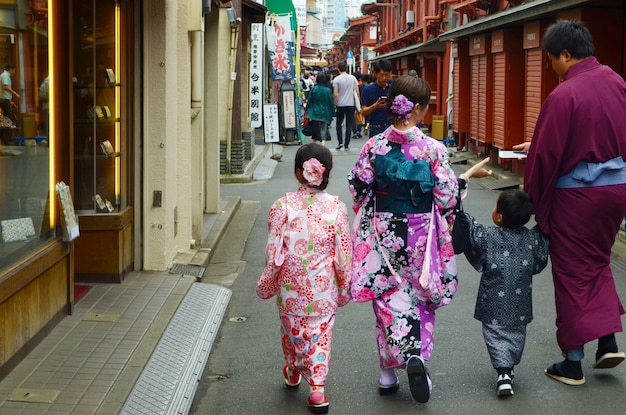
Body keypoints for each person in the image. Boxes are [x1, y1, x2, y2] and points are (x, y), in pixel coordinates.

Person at [512, 20, 626, 385]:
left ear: (565, 54)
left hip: (577, 196)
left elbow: (546, 157)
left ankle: (573, 361)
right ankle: (607, 342)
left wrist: (531, 201)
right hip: (615, 190)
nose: (553, 69)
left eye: (552, 61)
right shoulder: (617, 82)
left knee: (571, 271)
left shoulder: (565, 94)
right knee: (596, 262)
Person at [348, 75, 458, 403]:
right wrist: (449, 218)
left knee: (387, 294)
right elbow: (446, 194)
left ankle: (386, 372)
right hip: (421, 229)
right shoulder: (433, 149)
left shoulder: (375, 145)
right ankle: (417, 358)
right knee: (421, 292)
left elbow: (358, 187)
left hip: (385, 228)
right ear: (420, 109)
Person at [257, 143, 352, 414]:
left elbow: (273, 250)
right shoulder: (337, 208)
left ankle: (293, 369)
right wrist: (345, 286)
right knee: (321, 336)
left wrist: (268, 281)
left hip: (290, 289)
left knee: (292, 332)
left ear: (299, 173)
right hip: (323, 290)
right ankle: (317, 390)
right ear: (326, 173)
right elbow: (343, 254)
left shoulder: (281, 206)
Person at [455, 175, 549, 397]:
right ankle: (508, 370)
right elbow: (541, 251)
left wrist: (457, 200)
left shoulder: (487, 236)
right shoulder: (532, 239)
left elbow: (468, 225)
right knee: (516, 334)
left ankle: (503, 371)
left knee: (495, 335)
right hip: (520, 302)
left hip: (492, 301)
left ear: (498, 216)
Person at [360, 59, 393, 138]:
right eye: (381, 75)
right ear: (375, 73)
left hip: (392, 127)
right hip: (376, 128)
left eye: (387, 75)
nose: (384, 78)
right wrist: (375, 106)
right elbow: (363, 111)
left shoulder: (393, 89)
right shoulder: (368, 90)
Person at [332, 62, 359, 151]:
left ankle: (340, 142)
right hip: (351, 104)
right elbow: (357, 92)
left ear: (338, 69)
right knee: (349, 125)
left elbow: (335, 94)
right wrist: (358, 103)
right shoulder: (353, 78)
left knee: (339, 123)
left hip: (340, 104)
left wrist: (335, 103)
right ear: (346, 69)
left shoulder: (336, 79)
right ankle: (347, 144)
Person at [304, 73, 334, 146]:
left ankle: (313, 148)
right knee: (323, 132)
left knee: (315, 133)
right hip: (325, 114)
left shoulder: (314, 89)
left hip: (314, 113)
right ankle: (323, 147)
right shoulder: (328, 91)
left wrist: (307, 110)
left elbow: (310, 100)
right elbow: (331, 103)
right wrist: (332, 113)